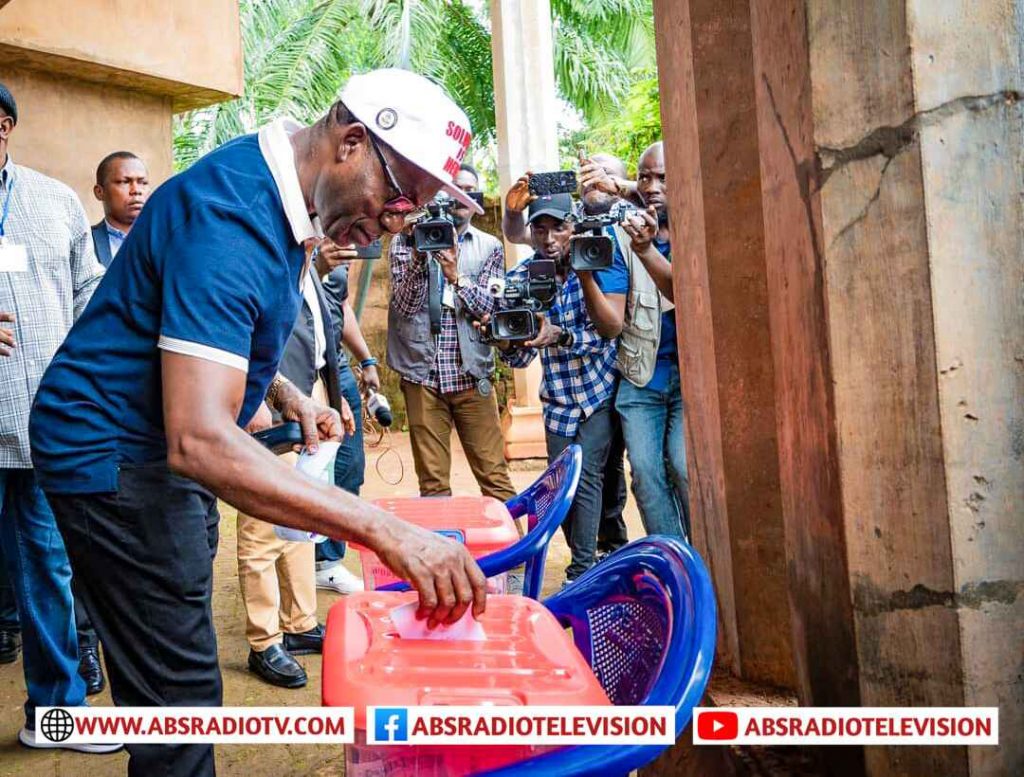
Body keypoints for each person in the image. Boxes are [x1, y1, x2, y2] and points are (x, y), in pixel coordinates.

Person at [29, 69, 488, 777]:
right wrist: (385, 529)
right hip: (111, 450)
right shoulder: (233, 216)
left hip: (151, 439)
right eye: (398, 195)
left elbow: (197, 326)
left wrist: (284, 393)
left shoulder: (284, 199)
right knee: (178, 699)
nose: (398, 220)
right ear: (351, 142)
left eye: (415, 208)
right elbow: (199, 438)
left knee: (179, 646)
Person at [0, 82, 119, 754]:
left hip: (41, 431)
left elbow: (90, 301)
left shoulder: (54, 201)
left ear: (5, 125)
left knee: (49, 568)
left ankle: (54, 712)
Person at [237, 244, 356, 689]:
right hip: (269, 405)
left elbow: (319, 341)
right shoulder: (261, 259)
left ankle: (300, 623)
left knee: (304, 517)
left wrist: (333, 394)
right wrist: (253, 399)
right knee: (262, 528)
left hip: (311, 397)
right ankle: (264, 641)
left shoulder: (306, 266)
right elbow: (242, 337)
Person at [502, 158, 632, 558]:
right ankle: (594, 551)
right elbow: (518, 358)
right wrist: (508, 340)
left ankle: (581, 566)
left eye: (558, 226)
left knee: (590, 475)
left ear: (574, 226)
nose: (549, 237)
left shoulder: (595, 261)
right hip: (559, 398)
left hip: (598, 391)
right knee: (561, 482)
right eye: (539, 228)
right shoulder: (524, 276)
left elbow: (604, 336)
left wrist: (558, 335)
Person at [577, 141, 690, 540]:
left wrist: (626, 189)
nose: (653, 185)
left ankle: (704, 557)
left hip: (691, 382)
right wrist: (586, 275)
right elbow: (610, 326)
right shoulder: (621, 235)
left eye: (664, 177)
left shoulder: (697, 228)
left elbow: (684, 292)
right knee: (644, 472)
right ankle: (673, 560)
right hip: (642, 378)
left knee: (683, 466)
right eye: (645, 177)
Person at [387, 163, 517, 502]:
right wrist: (419, 255)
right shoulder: (405, 242)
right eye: (450, 188)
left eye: (467, 190)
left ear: (475, 200)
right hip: (422, 375)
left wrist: (456, 276)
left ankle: (517, 556)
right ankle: (441, 556)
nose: (458, 196)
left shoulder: (489, 247)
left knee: (494, 478)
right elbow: (403, 306)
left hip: (470, 375)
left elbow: (490, 312)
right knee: (432, 486)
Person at [315, 238, 376, 594]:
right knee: (315, 465)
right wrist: (317, 265)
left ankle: (328, 558)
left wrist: (366, 359)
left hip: (337, 364)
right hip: (305, 366)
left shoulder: (342, 241)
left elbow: (341, 305)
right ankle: (316, 559)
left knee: (350, 464)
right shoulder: (294, 236)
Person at [91, 151, 150, 267]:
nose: (136, 190)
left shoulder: (166, 239)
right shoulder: (85, 242)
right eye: (124, 182)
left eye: (143, 183)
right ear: (99, 192)